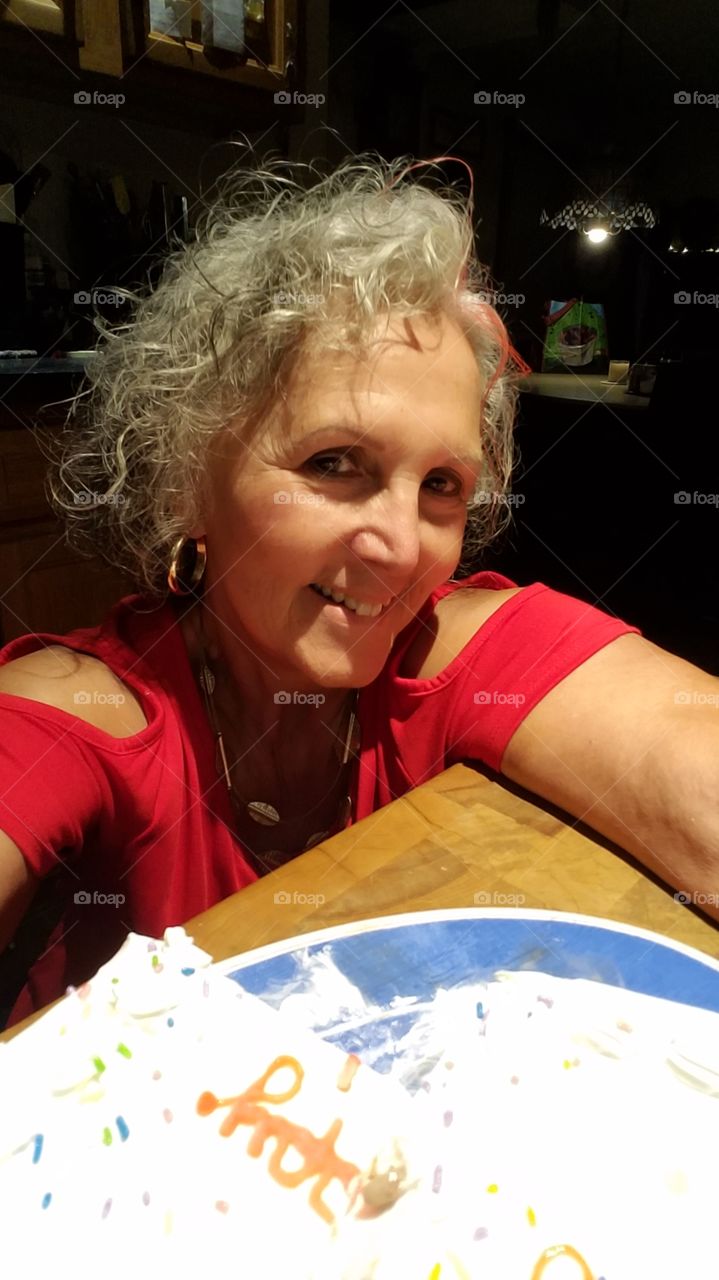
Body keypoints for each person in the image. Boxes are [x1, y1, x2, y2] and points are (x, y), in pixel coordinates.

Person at [1, 156, 717, 1028]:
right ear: (187, 476)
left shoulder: (454, 652)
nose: (402, 546)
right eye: (333, 463)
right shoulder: (82, 715)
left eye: (443, 485)